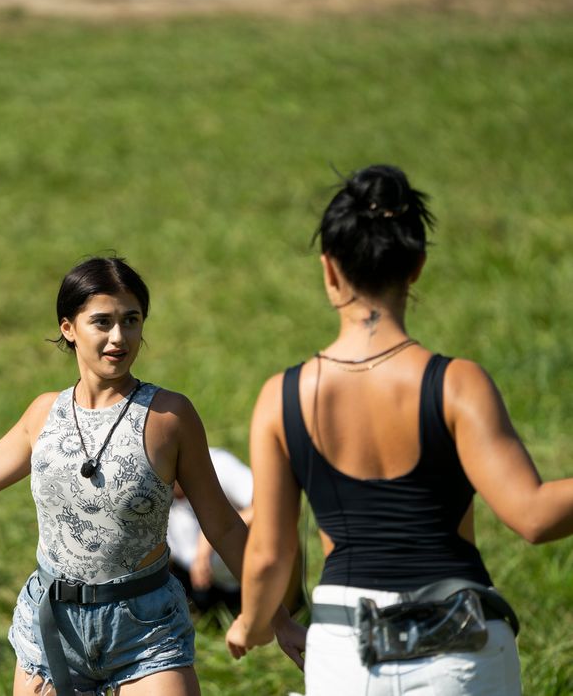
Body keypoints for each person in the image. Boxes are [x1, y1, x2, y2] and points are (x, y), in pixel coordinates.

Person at [0, 256, 305, 696]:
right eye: (102, 322)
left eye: (131, 320)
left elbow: (224, 525)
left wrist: (279, 619)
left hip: (146, 630)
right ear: (69, 328)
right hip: (52, 629)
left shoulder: (170, 416)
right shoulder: (44, 414)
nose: (119, 337)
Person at [225, 165, 573, 695]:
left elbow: (271, 554)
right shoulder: (457, 385)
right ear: (416, 267)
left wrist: (251, 624)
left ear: (329, 270)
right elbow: (534, 516)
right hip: (461, 643)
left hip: (347, 652)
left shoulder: (282, 397)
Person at [168, 447, 304, 619]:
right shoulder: (148, 485)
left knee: (280, 529)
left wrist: (208, 539)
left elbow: (276, 504)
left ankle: (285, 616)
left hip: (252, 580)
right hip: (198, 584)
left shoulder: (216, 466)